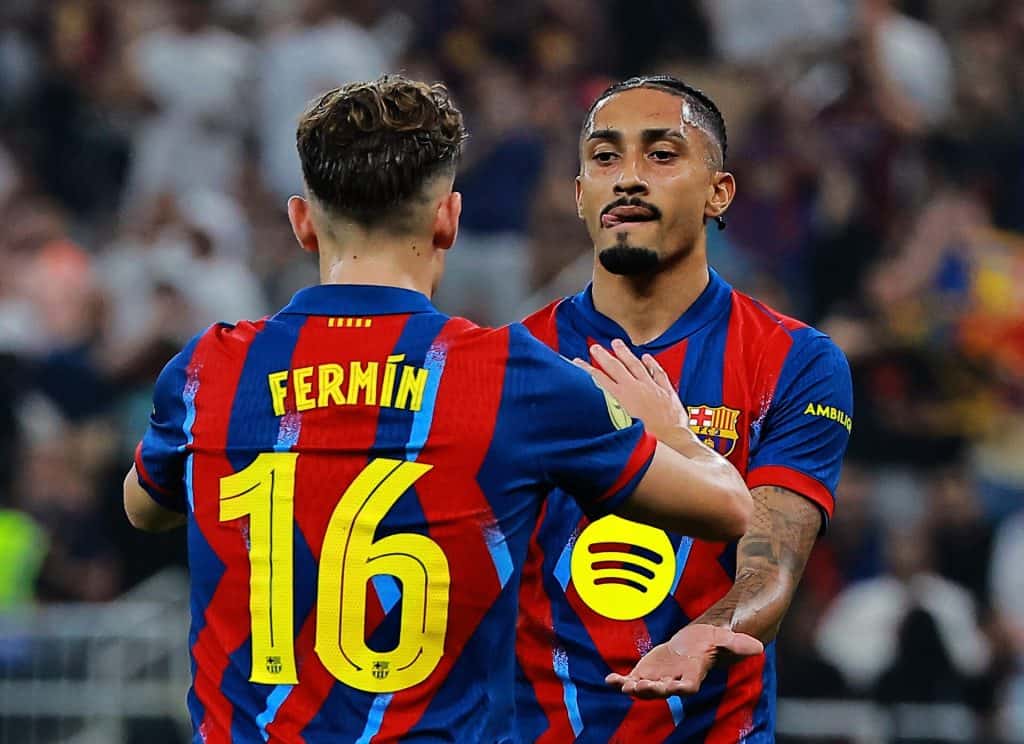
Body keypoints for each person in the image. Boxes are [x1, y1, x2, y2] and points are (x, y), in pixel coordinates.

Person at [122, 75, 757, 743]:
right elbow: (730, 508)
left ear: (303, 224)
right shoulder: (515, 381)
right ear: (448, 219)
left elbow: (145, 505)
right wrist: (674, 433)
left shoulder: (210, 369)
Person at [515, 75, 853, 742]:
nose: (628, 178)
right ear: (581, 195)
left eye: (662, 155)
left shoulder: (794, 362)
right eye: (605, 158)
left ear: (718, 193)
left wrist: (702, 637)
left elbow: (770, 568)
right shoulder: (511, 362)